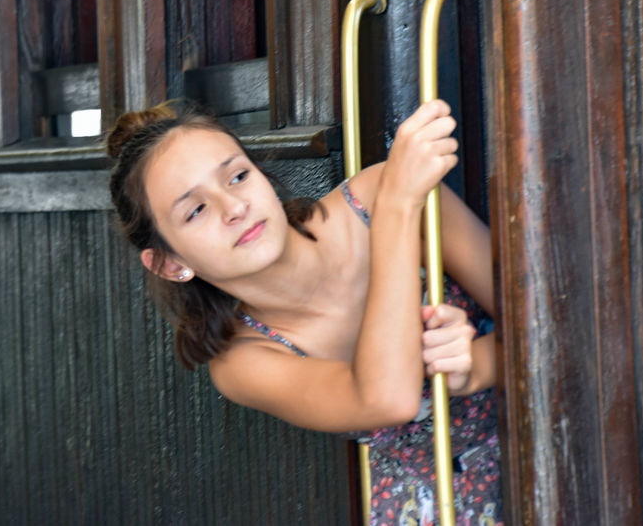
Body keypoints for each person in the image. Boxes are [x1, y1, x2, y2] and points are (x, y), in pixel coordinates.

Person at [105, 99, 502, 525]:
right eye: (196, 210)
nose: (234, 208)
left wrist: (475, 369)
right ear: (170, 263)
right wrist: (398, 209)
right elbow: (388, 399)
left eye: (238, 176)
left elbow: (544, 317)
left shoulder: (376, 196)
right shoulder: (244, 362)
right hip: (441, 506)